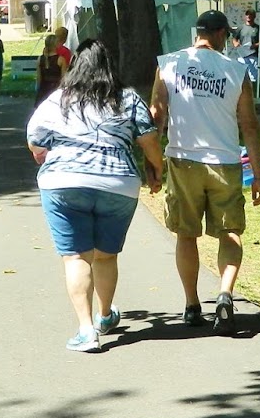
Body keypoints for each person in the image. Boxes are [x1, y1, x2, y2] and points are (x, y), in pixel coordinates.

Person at [27, 42, 165, 352]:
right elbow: (150, 140)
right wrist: (157, 170)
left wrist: (45, 157)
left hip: (63, 181)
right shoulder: (127, 98)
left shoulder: (58, 99)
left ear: (75, 65)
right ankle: (105, 315)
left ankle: (86, 330)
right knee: (106, 255)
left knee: (76, 257)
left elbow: (35, 140)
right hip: (118, 182)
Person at [151, 9, 260, 333]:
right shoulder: (236, 70)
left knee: (186, 234)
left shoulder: (168, 63)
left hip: (183, 159)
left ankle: (191, 304)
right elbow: (249, 125)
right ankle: (225, 293)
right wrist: (258, 175)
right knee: (230, 232)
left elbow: (156, 116)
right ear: (220, 34)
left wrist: (153, 164)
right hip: (224, 161)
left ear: (197, 33)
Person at [34, 33, 64, 104]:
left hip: (43, 89)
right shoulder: (61, 60)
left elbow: (39, 78)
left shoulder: (40, 59)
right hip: (56, 89)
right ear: (56, 45)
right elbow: (64, 78)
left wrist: (38, 90)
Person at [238, 7, 260, 83]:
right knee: (242, 79)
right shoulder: (241, 27)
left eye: (251, 14)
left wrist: (255, 45)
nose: (249, 16)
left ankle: (254, 90)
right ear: (245, 16)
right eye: (247, 14)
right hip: (242, 57)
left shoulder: (258, 28)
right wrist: (236, 43)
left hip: (253, 56)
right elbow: (234, 38)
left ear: (254, 16)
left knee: (253, 79)